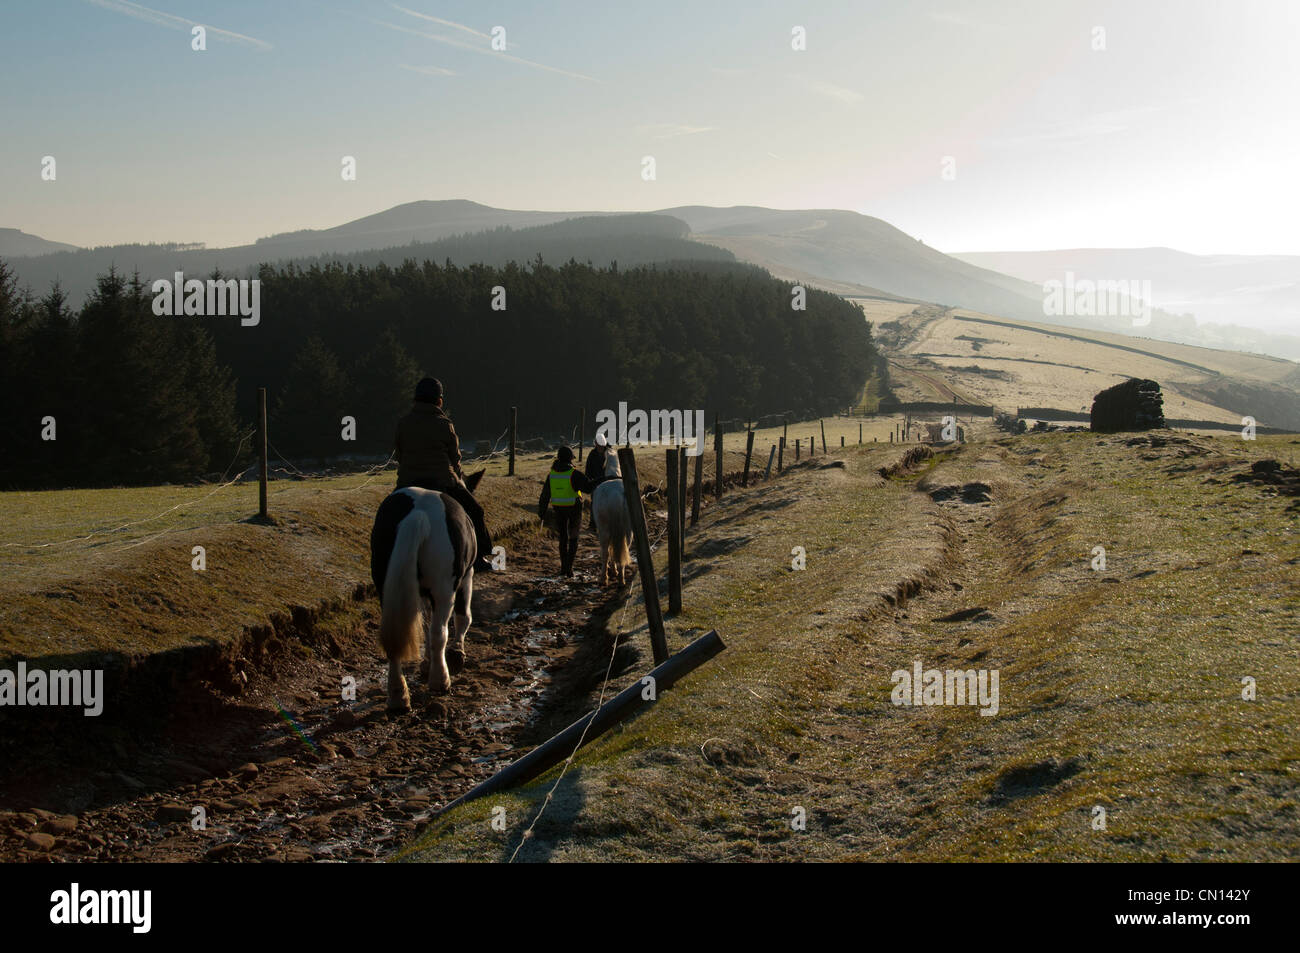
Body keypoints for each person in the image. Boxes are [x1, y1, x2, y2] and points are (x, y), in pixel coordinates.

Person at [394, 377, 494, 572]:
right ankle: (480, 557)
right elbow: (455, 458)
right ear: (439, 400)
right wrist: (458, 477)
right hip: (441, 481)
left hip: (407, 482)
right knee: (475, 511)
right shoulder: (445, 424)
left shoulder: (403, 423)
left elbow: (399, 454)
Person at [537, 445, 595, 577]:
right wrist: (599, 481)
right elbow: (588, 488)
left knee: (563, 538)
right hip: (574, 508)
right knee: (574, 538)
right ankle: (569, 568)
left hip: (558, 509)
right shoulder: (574, 473)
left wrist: (542, 512)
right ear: (570, 459)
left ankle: (563, 567)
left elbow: (545, 495)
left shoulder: (551, 475)